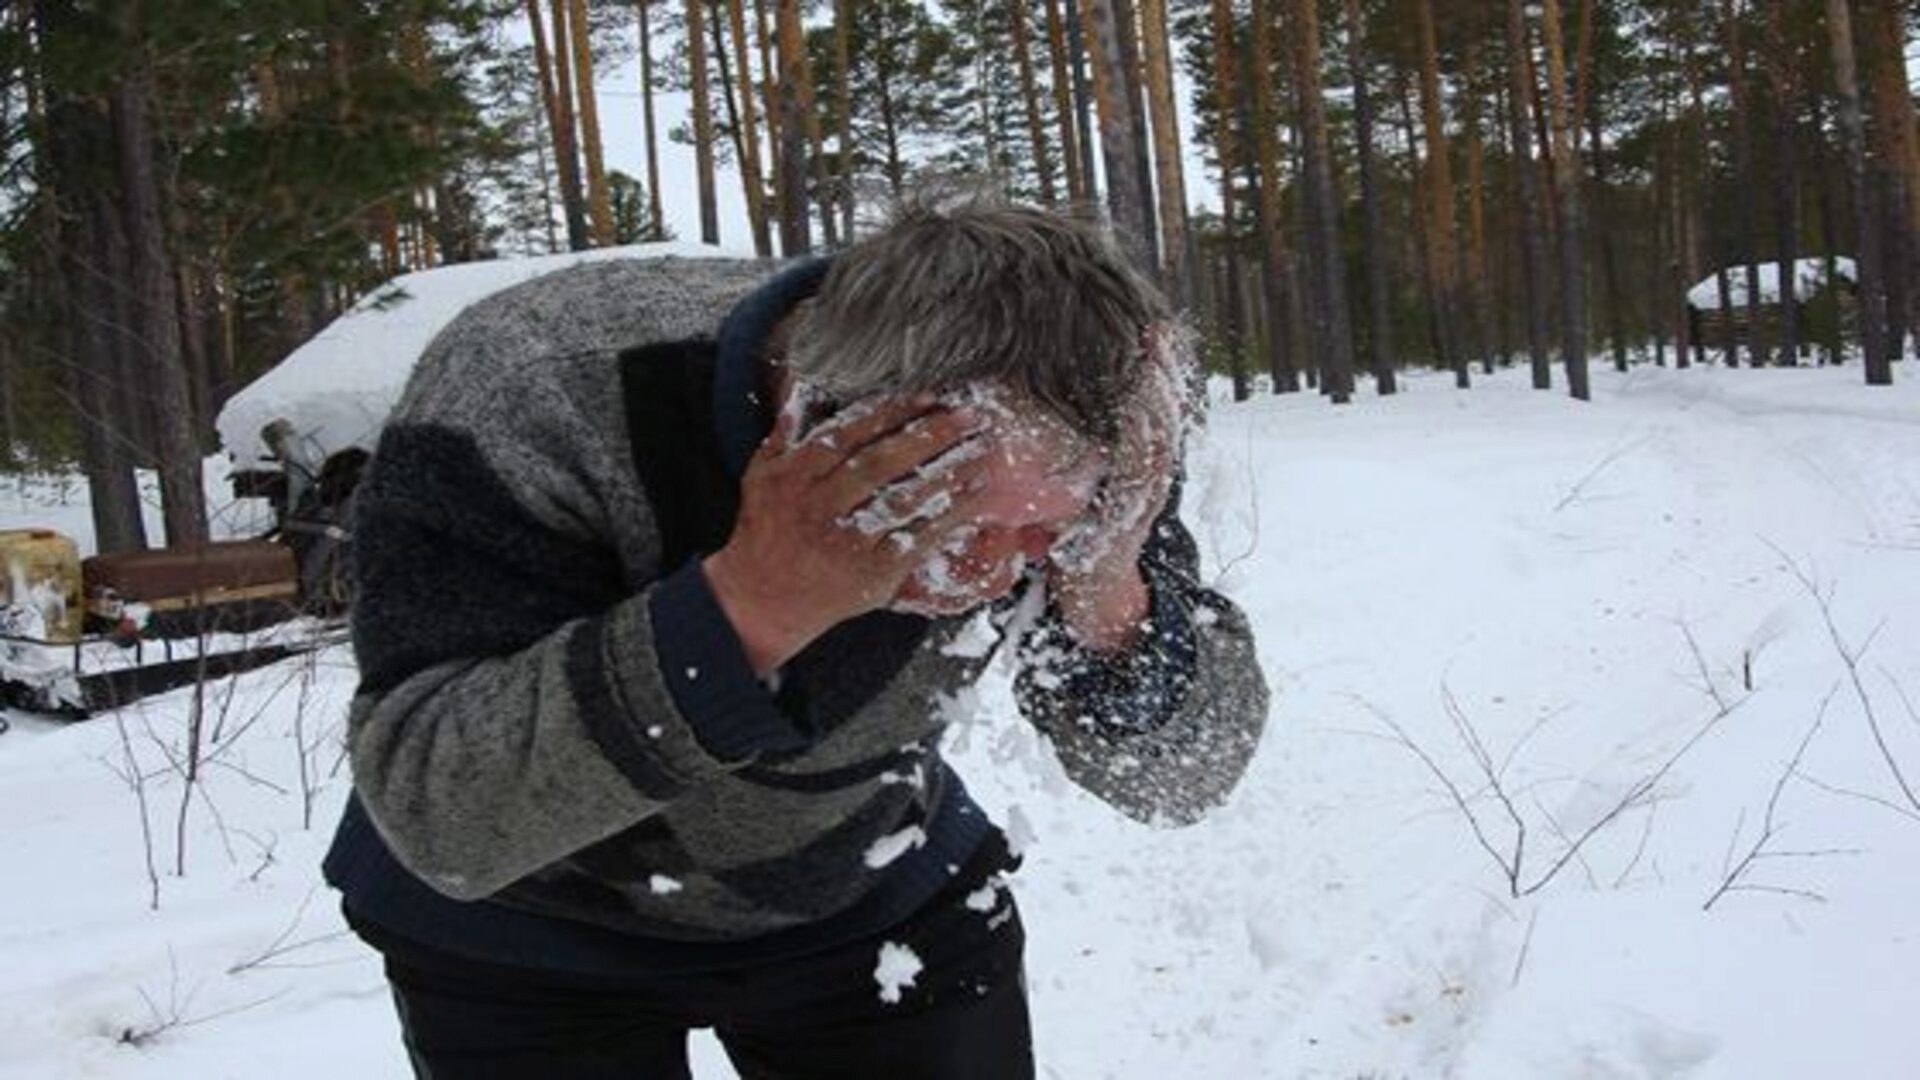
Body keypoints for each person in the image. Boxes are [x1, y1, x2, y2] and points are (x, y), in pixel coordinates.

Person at [322, 200, 1268, 1079]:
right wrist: (748, 608)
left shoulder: (1078, 434)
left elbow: (1185, 774)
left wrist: (1107, 590)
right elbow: (441, 810)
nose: (996, 575)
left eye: (1041, 534)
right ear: (805, 414)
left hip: (866, 882)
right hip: (523, 926)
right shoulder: (535, 388)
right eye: (949, 523)